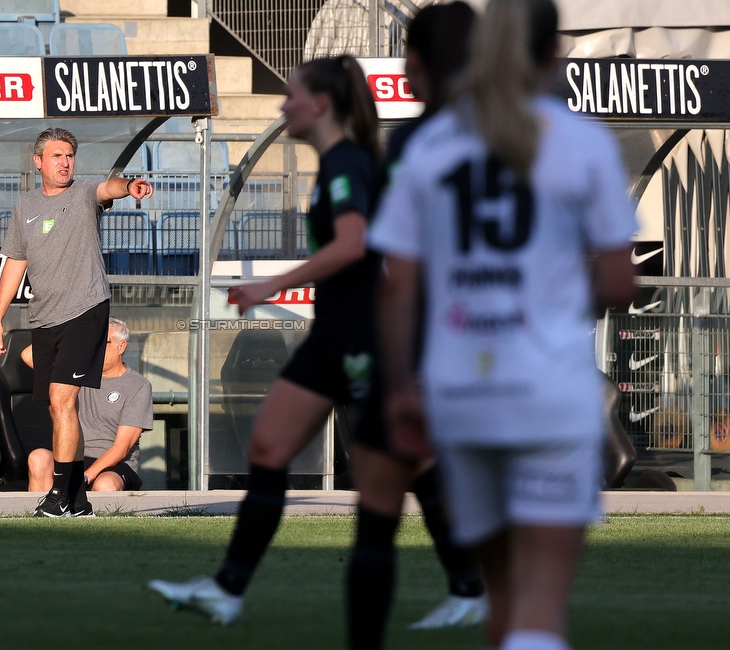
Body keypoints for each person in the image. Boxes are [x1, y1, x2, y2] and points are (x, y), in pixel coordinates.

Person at [369, 2, 636, 650]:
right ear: (553, 56)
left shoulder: (432, 143)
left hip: (461, 387)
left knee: (501, 600)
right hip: (548, 387)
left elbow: (397, 282)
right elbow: (620, 282)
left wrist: (401, 385)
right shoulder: (582, 141)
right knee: (540, 603)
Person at [149, 55, 384, 625]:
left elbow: (353, 245)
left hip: (359, 339)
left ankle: (477, 581)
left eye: (292, 95)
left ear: (321, 105)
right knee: (269, 450)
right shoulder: (335, 165)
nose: (282, 105)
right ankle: (228, 588)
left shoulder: (348, 162)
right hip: (331, 338)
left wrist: (271, 284)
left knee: (394, 477)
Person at [345, 4, 487, 647]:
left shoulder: (415, 142)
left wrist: (396, 365)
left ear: (426, 61)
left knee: (378, 494)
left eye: (409, 52)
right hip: (507, 344)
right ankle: (472, 586)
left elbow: (400, 265)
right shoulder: (538, 133)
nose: (403, 65)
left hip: (435, 333)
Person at [0, 127, 153, 518]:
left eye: (70, 156)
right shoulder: (24, 206)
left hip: (85, 310)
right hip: (44, 317)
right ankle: (78, 500)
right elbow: (15, 262)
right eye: (57, 156)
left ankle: (59, 495)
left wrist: (129, 186)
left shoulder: (82, 194)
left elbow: (106, 189)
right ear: (38, 161)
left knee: (64, 400)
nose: (65, 163)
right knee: (58, 410)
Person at [22, 317, 153, 494]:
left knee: (105, 485)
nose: (95, 348)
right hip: (73, 457)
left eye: (102, 342)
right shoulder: (77, 373)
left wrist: (84, 477)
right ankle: (45, 519)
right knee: (38, 458)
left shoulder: (138, 386)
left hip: (113, 465)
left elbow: (121, 448)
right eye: (93, 341)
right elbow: (28, 355)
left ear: (121, 347)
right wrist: (76, 332)